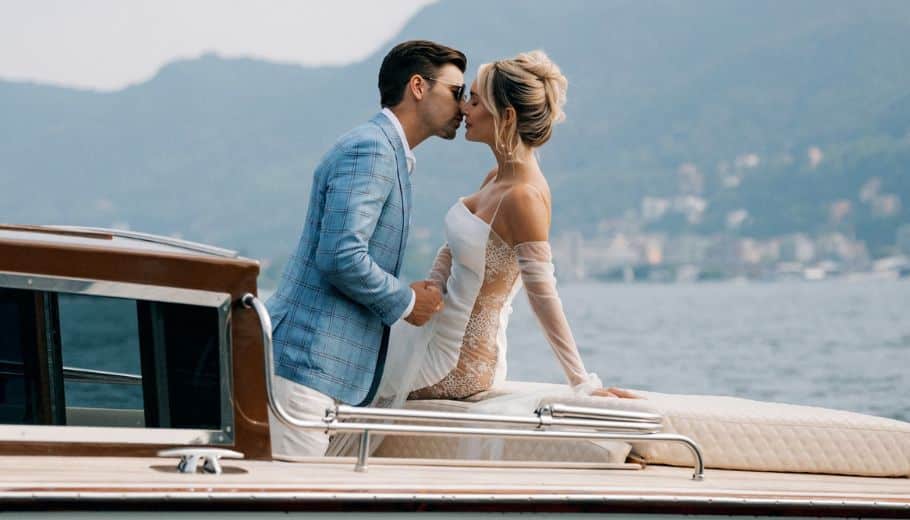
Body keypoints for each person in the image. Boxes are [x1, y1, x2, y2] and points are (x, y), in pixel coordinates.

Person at [371, 50, 638, 414]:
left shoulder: (523, 197)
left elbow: (543, 295)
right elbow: (454, 249)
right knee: (352, 350)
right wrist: (429, 292)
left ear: (506, 116)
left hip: (460, 363)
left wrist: (582, 383)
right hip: (432, 333)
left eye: (476, 101)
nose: (463, 108)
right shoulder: (496, 178)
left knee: (359, 376)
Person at [266, 40, 467, 458]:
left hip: (323, 372)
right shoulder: (371, 149)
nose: (463, 107)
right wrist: (407, 301)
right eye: (455, 91)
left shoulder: (387, 151)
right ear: (417, 87)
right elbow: (341, 255)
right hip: (307, 368)